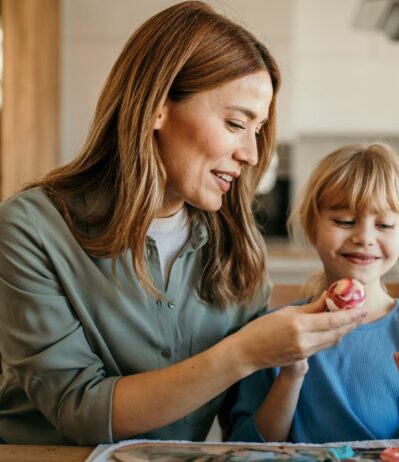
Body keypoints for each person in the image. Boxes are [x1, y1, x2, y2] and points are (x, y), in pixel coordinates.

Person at [0, 2, 366, 445]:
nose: (251, 153)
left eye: (258, 129)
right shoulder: (31, 228)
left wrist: (291, 368)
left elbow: (247, 434)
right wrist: (244, 353)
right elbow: (80, 410)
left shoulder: (239, 249)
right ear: (157, 108)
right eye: (235, 123)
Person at [228, 143, 399, 443]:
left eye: (385, 224)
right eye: (344, 221)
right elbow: (248, 446)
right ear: (312, 227)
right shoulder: (273, 329)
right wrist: (291, 375)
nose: (364, 237)